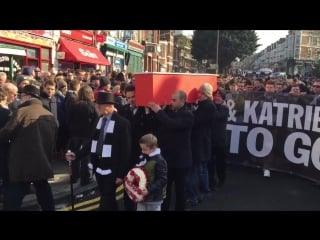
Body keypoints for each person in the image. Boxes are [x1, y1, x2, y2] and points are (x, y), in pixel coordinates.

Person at [66, 91, 131, 211]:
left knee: (106, 200)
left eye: (100, 105)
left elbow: (125, 151)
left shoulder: (122, 124)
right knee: (109, 199)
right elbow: (91, 143)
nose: (97, 107)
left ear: (110, 106)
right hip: (99, 165)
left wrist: (121, 174)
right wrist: (76, 155)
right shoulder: (99, 120)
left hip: (113, 168)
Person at [0, 85, 58, 211]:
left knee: (14, 196)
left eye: (21, 96)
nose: (20, 98)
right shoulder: (49, 115)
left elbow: (5, 134)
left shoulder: (21, 112)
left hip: (23, 162)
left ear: (28, 96)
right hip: (42, 161)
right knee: (44, 192)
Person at [148, 90, 194, 211]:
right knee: (165, 190)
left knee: (180, 191)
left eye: (174, 100)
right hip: (168, 159)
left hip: (181, 161)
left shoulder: (188, 114)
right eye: (171, 99)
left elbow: (172, 124)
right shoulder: (169, 111)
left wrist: (159, 111)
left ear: (183, 101)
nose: (171, 102)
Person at [135, 133, 167, 211]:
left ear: (154, 148)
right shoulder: (144, 157)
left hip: (154, 198)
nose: (142, 151)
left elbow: (162, 180)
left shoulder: (159, 161)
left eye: (145, 149)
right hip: (142, 196)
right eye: (141, 149)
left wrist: (148, 190)